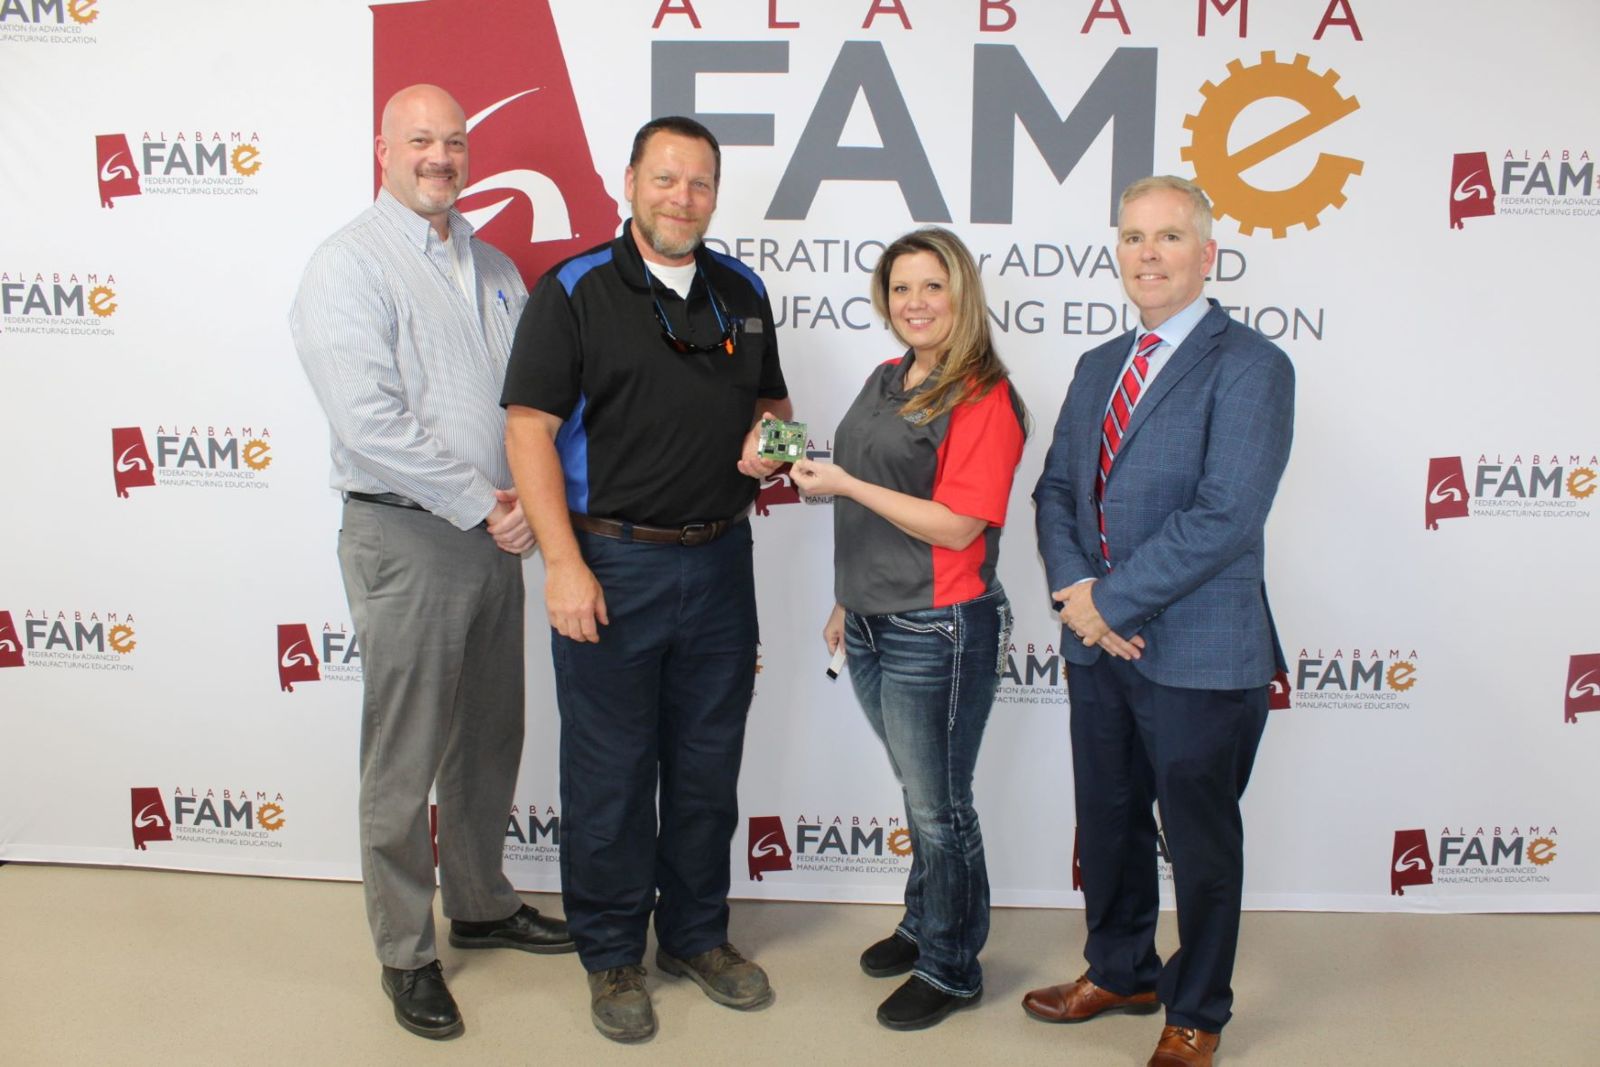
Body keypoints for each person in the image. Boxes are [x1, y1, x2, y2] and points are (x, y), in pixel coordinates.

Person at [290, 83, 574, 1042]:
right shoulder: (347, 263)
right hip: (409, 534)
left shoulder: (493, 265)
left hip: (497, 536)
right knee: (405, 755)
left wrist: (530, 507)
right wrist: (484, 506)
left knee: (490, 736)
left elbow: (529, 404)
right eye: (421, 140)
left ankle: (483, 902)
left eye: (454, 141)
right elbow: (369, 423)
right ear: (382, 147)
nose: (440, 157)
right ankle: (406, 950)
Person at [500, 115, 791, 1043]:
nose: (683, 198)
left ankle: (698, 936)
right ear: (630, 182)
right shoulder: (576, 288)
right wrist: (564, 565)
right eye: (666, 179)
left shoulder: (742, 291)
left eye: (700, 183)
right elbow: (528, 431)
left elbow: (776, 406)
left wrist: (771, 449)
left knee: (707, 768)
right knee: (611, 774)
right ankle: (613, 952)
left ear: (715, 193)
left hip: (719, 562)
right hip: (609, 563)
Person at [1026, 176, 1294, 1067]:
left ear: (1207, 254)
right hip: (1098, 644)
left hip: (1201, 648)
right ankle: (1120, 969)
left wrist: (1112, 600)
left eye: (1169, 237)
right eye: (1134, 236)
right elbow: (1058, 489)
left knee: (1202, 839)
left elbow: (1225, 515)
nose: (1148, 253)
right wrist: (1078, 594)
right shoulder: (1100, 364)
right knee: (1107, 817)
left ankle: (1197, 1010)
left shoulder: (1252, 364)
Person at [790, 227, 1027, 1031]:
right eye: (901, 288)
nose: (915, 303)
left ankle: (953, 965)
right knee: (919, 793)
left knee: (940, 806)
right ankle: (926, 922)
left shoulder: (983, 395)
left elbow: (959, 525)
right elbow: (874, 507)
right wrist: (847, 597)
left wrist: (846, 480)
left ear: (961, 295)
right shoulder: (886, 377)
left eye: (932, 286)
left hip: (940, 626)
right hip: (872, 617)